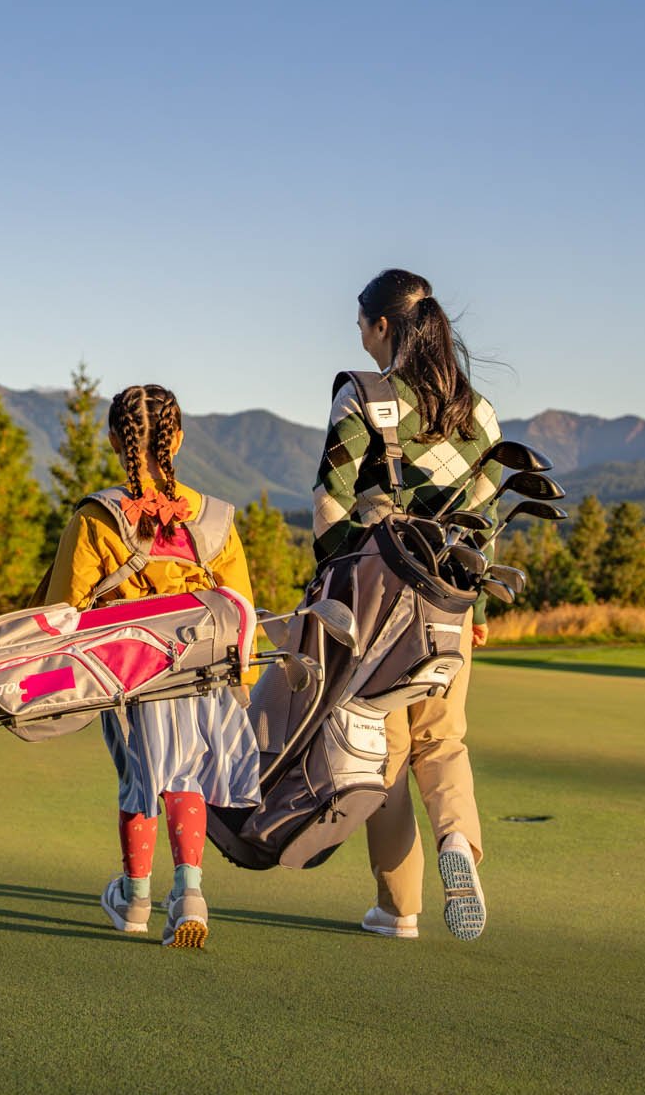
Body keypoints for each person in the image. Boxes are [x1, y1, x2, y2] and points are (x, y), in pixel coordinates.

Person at [312, 268, 502, 941]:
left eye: (361, 325)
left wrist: (334, 593)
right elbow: (483, 523)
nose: (360, 338)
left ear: (382, 326)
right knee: (444, 740)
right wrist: (476, 613)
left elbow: (331, 504)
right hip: (449, 602)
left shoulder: (362, 396)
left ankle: (400, 908)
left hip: (380, 607)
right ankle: (458, 840)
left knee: (384, 756)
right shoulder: (478, 413)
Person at [42, 383, 262, 951]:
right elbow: (240, 610)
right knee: (184, 775)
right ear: (179, 439)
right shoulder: (213, 519)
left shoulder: (97, 517)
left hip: (127, 672)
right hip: (200, 674)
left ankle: (135, 897)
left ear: (113, 440)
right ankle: (189, 893)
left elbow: (65, 608)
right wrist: (245, 681)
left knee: (140, 777)